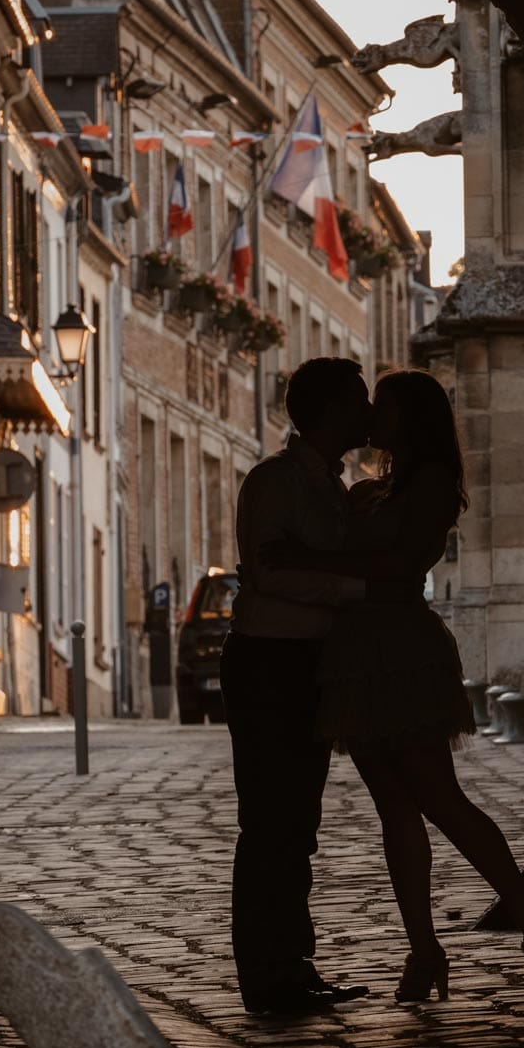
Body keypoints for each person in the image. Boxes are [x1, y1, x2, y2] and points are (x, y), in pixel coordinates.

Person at [262, 368, 524, 1001]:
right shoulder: (376, 485)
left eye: (386, 405)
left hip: (400, 648)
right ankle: (424, 949)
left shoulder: (430, 484)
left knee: (438, 795)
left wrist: (315, 559)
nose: (373, 413)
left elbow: (401, 564)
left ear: (412, 418)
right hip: (357, 653)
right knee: (394, 809)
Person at [223, 357, 385, 1014]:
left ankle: (293, 962)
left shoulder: (333, 486)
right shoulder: (275, 482)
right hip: (269, 662)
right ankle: (267, 974)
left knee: (299, 821)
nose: (368, 412)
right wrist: (357, 589)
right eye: (358, 401)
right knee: (270, 820)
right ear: (329, 412)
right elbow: (270, 573)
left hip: (305, 663)